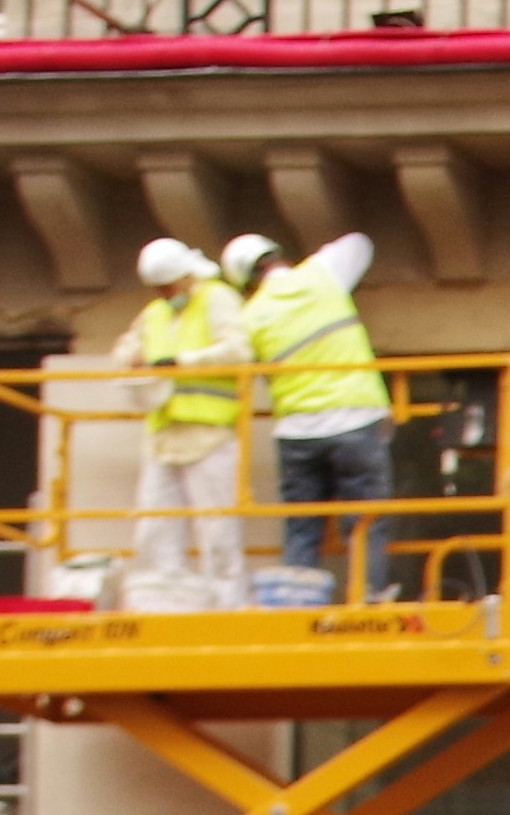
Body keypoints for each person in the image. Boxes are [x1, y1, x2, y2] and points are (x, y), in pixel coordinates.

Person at [240, 230, 400, 605]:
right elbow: (362, 242)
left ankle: (296, 601)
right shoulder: (321, 274)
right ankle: (368, 594)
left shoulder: (251, 314)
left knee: (302, 526)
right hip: (354, 420)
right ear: (276, 257)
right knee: (364, 520)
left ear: (247, 283)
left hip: (297, 431)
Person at [113, 235, 254, 610]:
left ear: (185, 277)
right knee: (156, 528)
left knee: (218, 531)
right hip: (164, 435)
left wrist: (182, 362)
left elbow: (239, 350)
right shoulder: (156, 312)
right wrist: (132, 357)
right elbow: (127, 345)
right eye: (158, 289)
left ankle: (227, 608)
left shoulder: (217, 298)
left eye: (168, 286)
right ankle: (164, 604)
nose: (164, 294)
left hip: (209, 432)